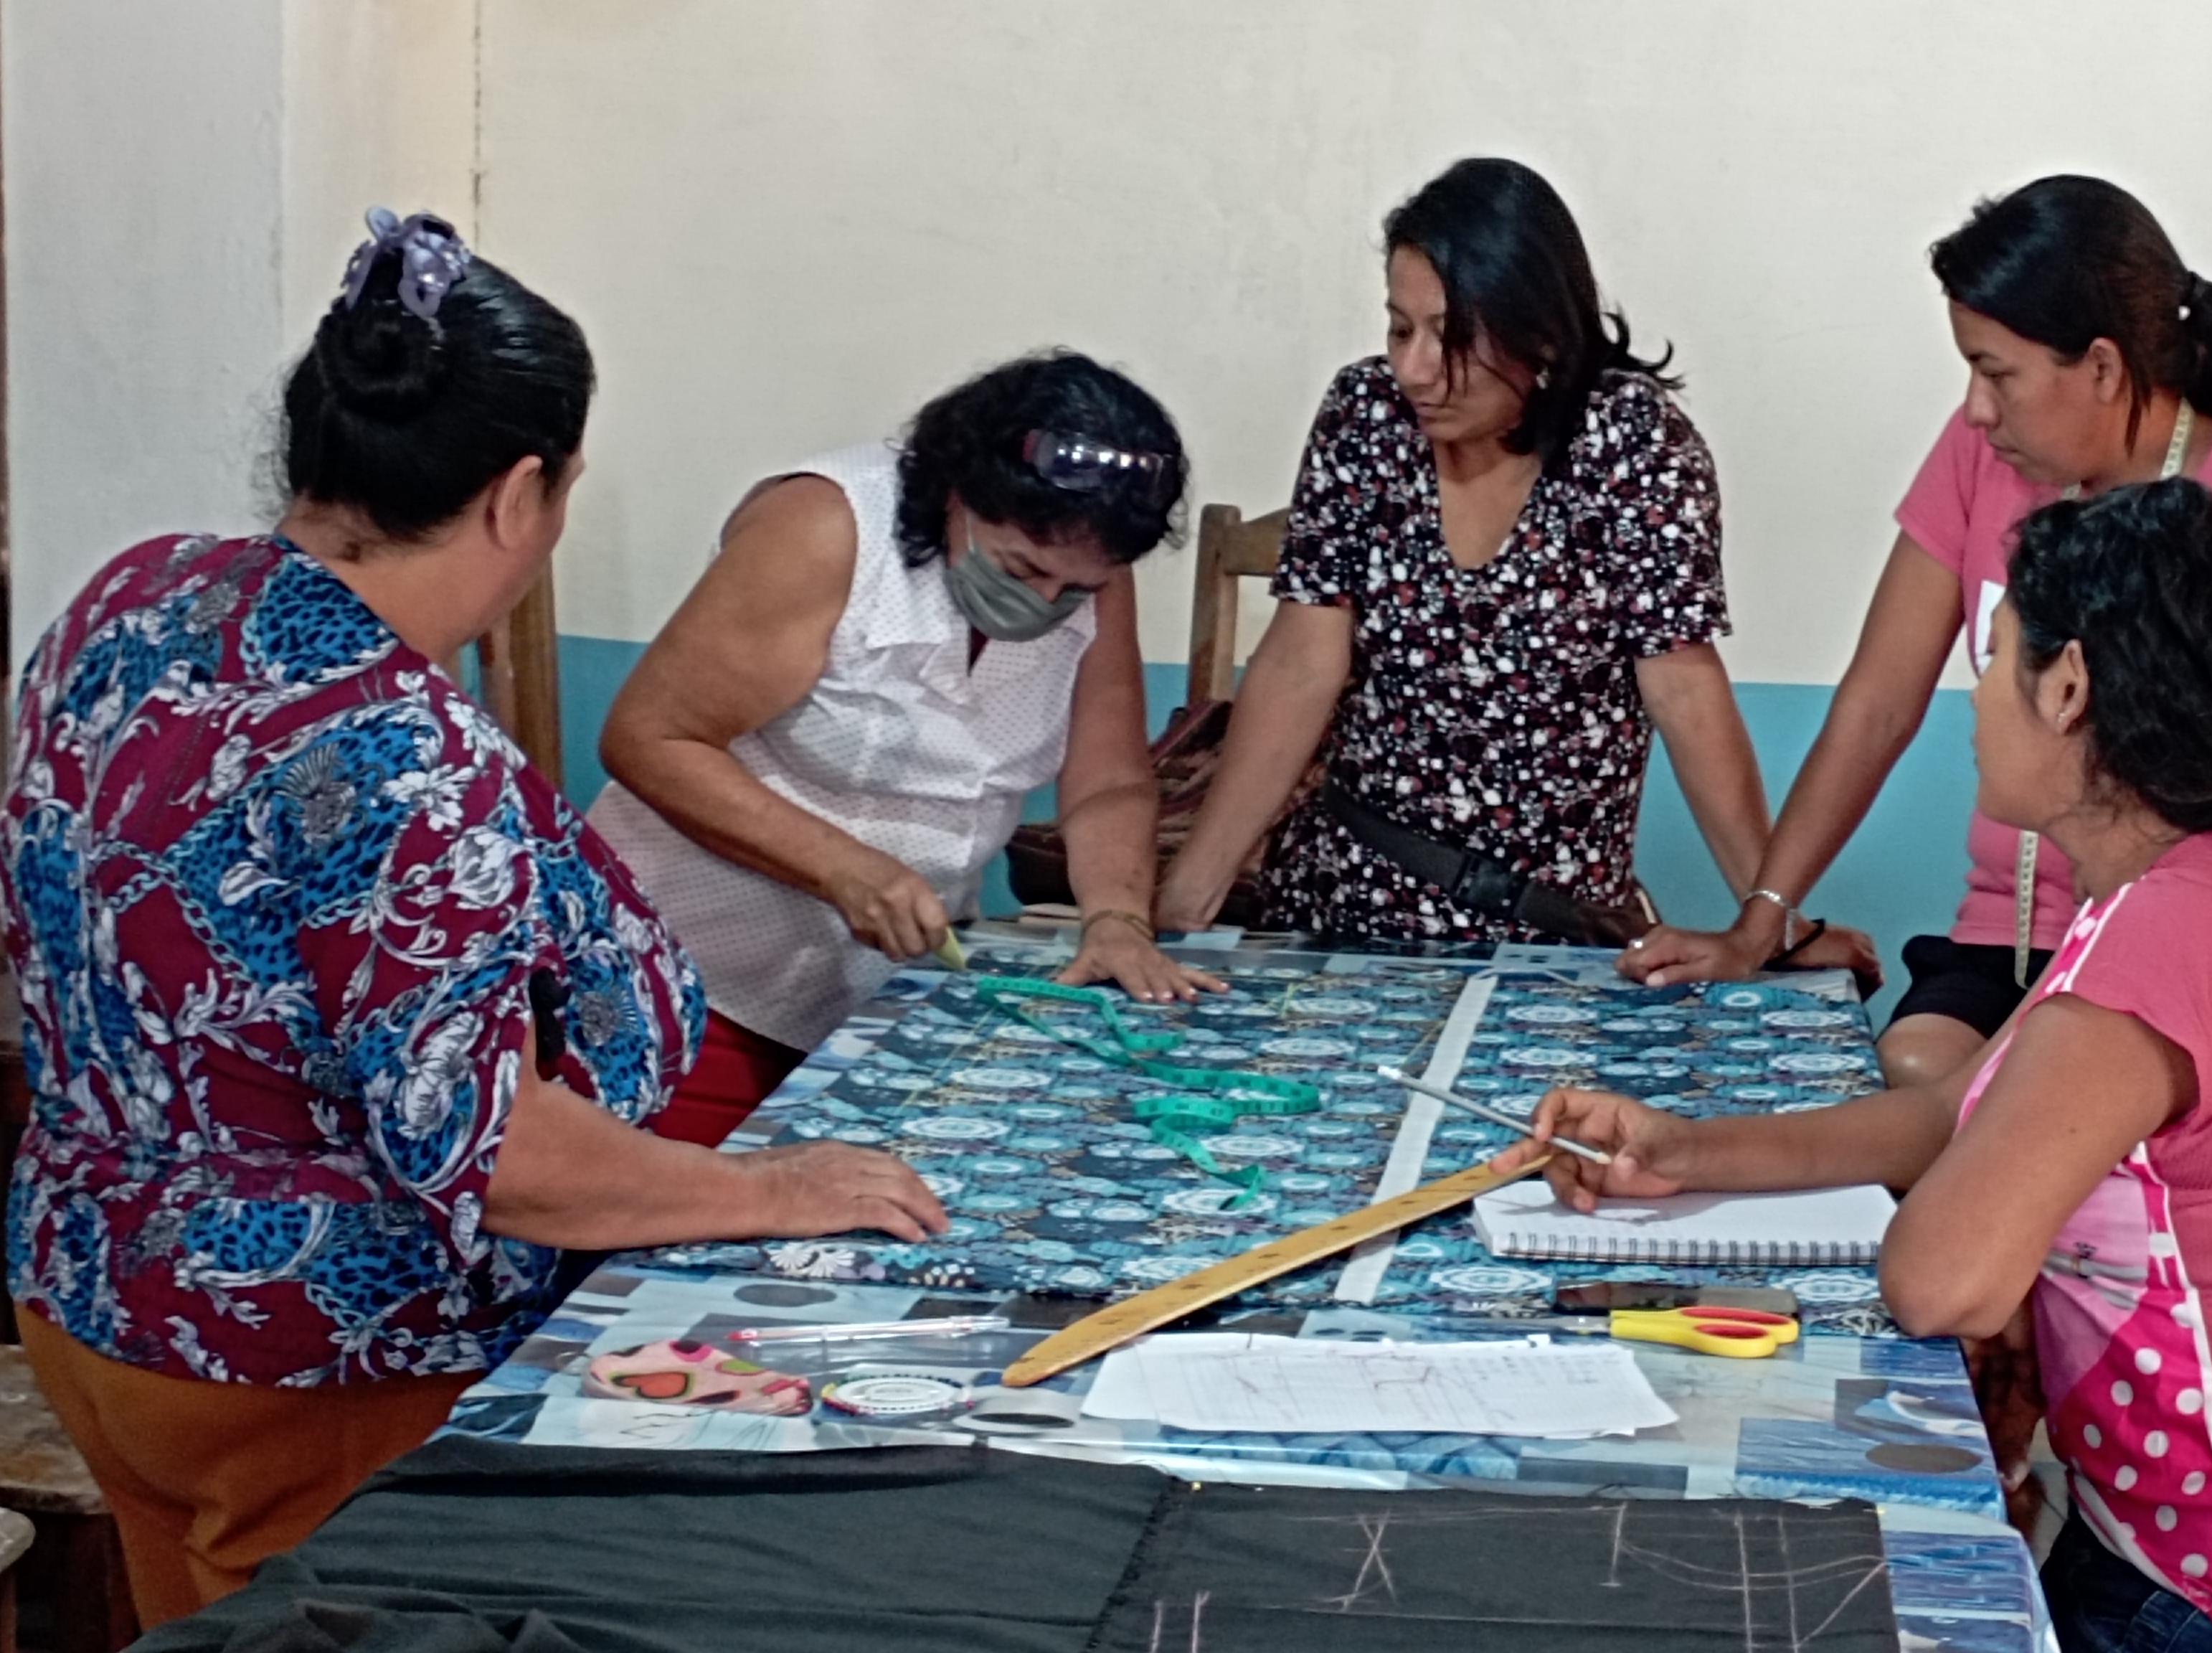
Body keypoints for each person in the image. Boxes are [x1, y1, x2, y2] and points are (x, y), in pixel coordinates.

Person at [0, 210, 947, 1625]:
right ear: (519, 496)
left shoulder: (138, 597)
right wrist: (773, 1188)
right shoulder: (404, 754)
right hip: (309, 1351)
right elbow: (495, 1151)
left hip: (90, 1294)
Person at [1526, 481, 2212, 1653]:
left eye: (1993, 658)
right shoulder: (2200, 883)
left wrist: (1992, 1264)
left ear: (2069, 687)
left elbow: (1943, 1281)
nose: (1976, 697)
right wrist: (1685, 1150)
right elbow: (1962, 1112)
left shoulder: (2171, 936)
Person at [1622, 175, 2212, 1088]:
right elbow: (1877, 706)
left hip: (2184, 934)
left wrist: (2208, 800)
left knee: (2014, 1108)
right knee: (1915, 1072)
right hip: (2011, 937)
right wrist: (1761, 923)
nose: (1977, 408)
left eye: (1997, 373)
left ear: (2101, 366)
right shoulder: (1982, 455)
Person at [1155, 158, 1831, 959]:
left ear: (1539, 333)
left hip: (1549, 937)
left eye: (1450, 336)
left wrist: (1773, 923)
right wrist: (1187, 900)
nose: (1413, 369)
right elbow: (1302, 665)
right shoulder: (1365, 417)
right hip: (1343, 907)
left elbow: (1683, 687)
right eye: (1400, 329)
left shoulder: (1632, 443)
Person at [592, 352, 1220, 1147]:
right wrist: (843, 868)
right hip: (686, 984)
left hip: (880, 996)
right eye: (1023, 568)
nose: (1046, 601)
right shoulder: (825, 527)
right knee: (673, 1209)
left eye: (1077, 591)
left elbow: (1109, 782)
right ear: (959, 495)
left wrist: (1118, 919)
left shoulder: (1085, 564)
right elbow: (650, 737)